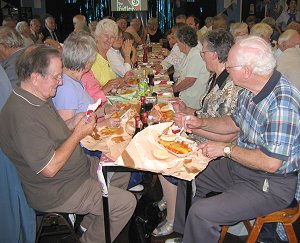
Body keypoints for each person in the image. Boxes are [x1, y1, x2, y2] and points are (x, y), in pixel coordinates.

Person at [168, 36, 300, 243]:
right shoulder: (250, 90)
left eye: (231, 65)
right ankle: (187, 235)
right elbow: (233, 122)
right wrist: (199, 122)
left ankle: (197, 228)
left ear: (247, 70)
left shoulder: (283, 104)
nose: (226, 68)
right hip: (243, 168)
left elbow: (270, 163)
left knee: (202, 212)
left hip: (269, 185)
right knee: (188, 172)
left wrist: (225, 149)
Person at [0, 44, 136, 243]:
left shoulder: (37, 96)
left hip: (75, 171)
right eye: (56, 76)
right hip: (58, 189)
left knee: (121, 170)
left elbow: (52, 132)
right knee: (126, 203)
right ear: (36, 78)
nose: (61, 81)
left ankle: (87, 224)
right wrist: (78, 134)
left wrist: (74, 122)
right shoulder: (21, 116)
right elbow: (49, 168)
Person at [153, 29, 240, 238]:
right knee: (158, 142)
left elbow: (229, 133)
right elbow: (206, 114)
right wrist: (186, 110)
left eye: (204, 52)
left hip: (215, 148)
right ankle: (173, 203)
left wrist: (193, 125)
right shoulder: (216, 77)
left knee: (166, 157)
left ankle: (174, 217)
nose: (201, 55)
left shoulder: (231, 86)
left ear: (214, 55)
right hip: (202, 136)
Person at [172, 26, 210, 109]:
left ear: (183, 42)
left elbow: (190, 80)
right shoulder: (191, 52)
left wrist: (173, 90)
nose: (177, 45)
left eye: (178, 42)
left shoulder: (196, 55)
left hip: (193, 102)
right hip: (188, 98)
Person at [85, 19, 124, 92]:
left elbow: (112, 82)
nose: (109, 40)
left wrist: (122, 81)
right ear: (97, 36)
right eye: (106, 35)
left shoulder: (109, 54)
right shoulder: (92, 59)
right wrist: (108, 86)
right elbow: (91, 94)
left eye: (112, 37)